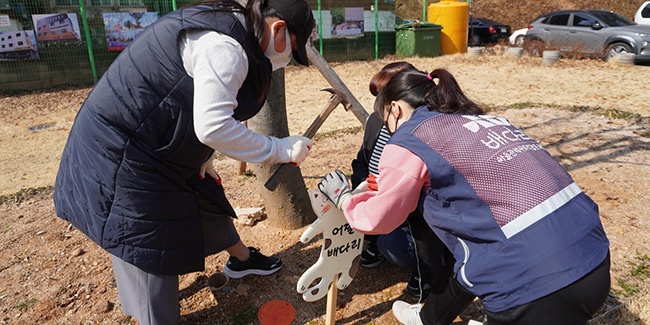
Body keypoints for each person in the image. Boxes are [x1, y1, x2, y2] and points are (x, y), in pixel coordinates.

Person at [53, 0, 315, 323]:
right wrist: (282, 150)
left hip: (156, 140)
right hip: (121, 149)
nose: (288, 59)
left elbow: (201, 102)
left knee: (203, 192)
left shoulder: (240, 27)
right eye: (292, 49)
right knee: (149, 245)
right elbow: (213, 126)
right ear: (278, 29)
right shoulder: (225, 48)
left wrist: (205, 155)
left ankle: (241, 260)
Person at [319, 67, 610, 324]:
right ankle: (427, 317)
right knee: (472, 253)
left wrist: (344, 197)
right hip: (594, 256)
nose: (388, 130)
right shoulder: (488, 122)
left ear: (395, 109)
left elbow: (377, 219)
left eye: (386, 122)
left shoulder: (409, 138)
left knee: (481, 255)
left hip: (535, 288)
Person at [351, 61, 450, 300]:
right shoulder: (375, 122)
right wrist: (360, 184)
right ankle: (376, 241)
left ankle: (423, 267)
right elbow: (361, 158)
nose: (379, 110)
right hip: (379, 194)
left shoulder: (422, 134)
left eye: (383, 99)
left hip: (410, 209)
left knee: (394, 246)